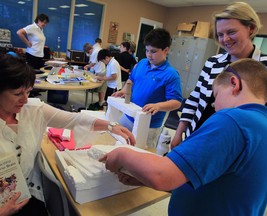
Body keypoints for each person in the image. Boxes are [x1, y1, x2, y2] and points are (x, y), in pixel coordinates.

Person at [100, 58, 267, 215]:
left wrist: (121, 154)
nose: (215, 107)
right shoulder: (262, 126)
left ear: (234, 83)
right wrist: (146, 180)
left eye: (216, 96)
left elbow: (161, 175)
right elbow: (213, 178)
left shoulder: (233, 120)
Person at [0, 54, 135, 216]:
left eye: (28, 92)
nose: (25, 100)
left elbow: (74, 120)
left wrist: (111, 126)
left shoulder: (33, 111)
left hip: (28, 194)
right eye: (17, 94)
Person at [171, 2, 267, 149]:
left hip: (229, 148)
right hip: (195, 137)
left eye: (231, 32)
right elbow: (195, 99)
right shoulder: (213, 62)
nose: (225, 39)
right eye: (220, 34)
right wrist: (178, 133)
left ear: (250, 28)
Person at [112, 28, 182, 148]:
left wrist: (158, 106)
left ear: (166, 50)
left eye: (153, 51)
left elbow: (176, 102)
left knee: (140, 154)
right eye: (147, 50)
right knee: (117, 144)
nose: (149, 55)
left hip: (149, 125)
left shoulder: (171, 74)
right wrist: (124, 91)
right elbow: (131, 79)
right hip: (128, 116)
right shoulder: (142, 63)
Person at [83, 43, 107, 108]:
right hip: (100, 70)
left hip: (101, 72)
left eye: (88, 52)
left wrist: (87, 66)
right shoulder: (96, 49)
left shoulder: (94, 52)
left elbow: (93, 63)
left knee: (101, 88)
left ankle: (101, 102)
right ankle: (100, 102)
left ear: (89, 50)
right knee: (100, 88)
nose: (88, 54)